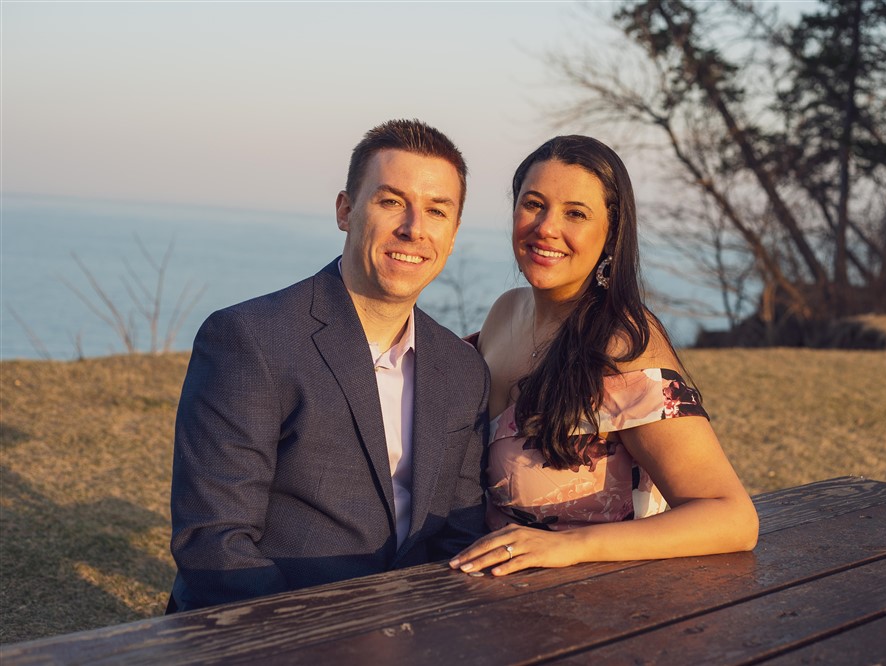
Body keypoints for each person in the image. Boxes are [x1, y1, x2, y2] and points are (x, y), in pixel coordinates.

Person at [168, 119, 490, 612]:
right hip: (269, 634)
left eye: (436, 211)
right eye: (390, 202)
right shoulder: (249, 339)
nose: (414, 228)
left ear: (453, 234)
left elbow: (457, 539)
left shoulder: (462, 369)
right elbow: (215, 543)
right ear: (345, 210)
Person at [449, 135, 758, 576]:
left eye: (575, 213)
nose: (546, 227)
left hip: (597, 610)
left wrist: (572, 546)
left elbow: (732, 517)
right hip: (488, 599)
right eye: (533, 204)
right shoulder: (505, 312)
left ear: (612, 233)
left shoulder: (623, 347)